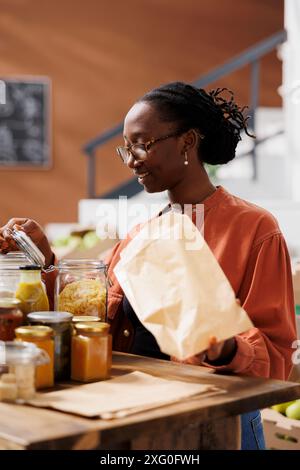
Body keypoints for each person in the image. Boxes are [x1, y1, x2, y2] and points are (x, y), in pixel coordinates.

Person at [0, 82, 296, 450]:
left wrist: (226, 349)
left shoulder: (255, 229)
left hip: (216, 428)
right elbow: (92, 311)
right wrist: (43, 257)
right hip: (143, 418)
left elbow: (278, 359)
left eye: (142, 144)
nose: (130, 160)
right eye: (126, 147)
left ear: (188, 141)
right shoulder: (142, 234)